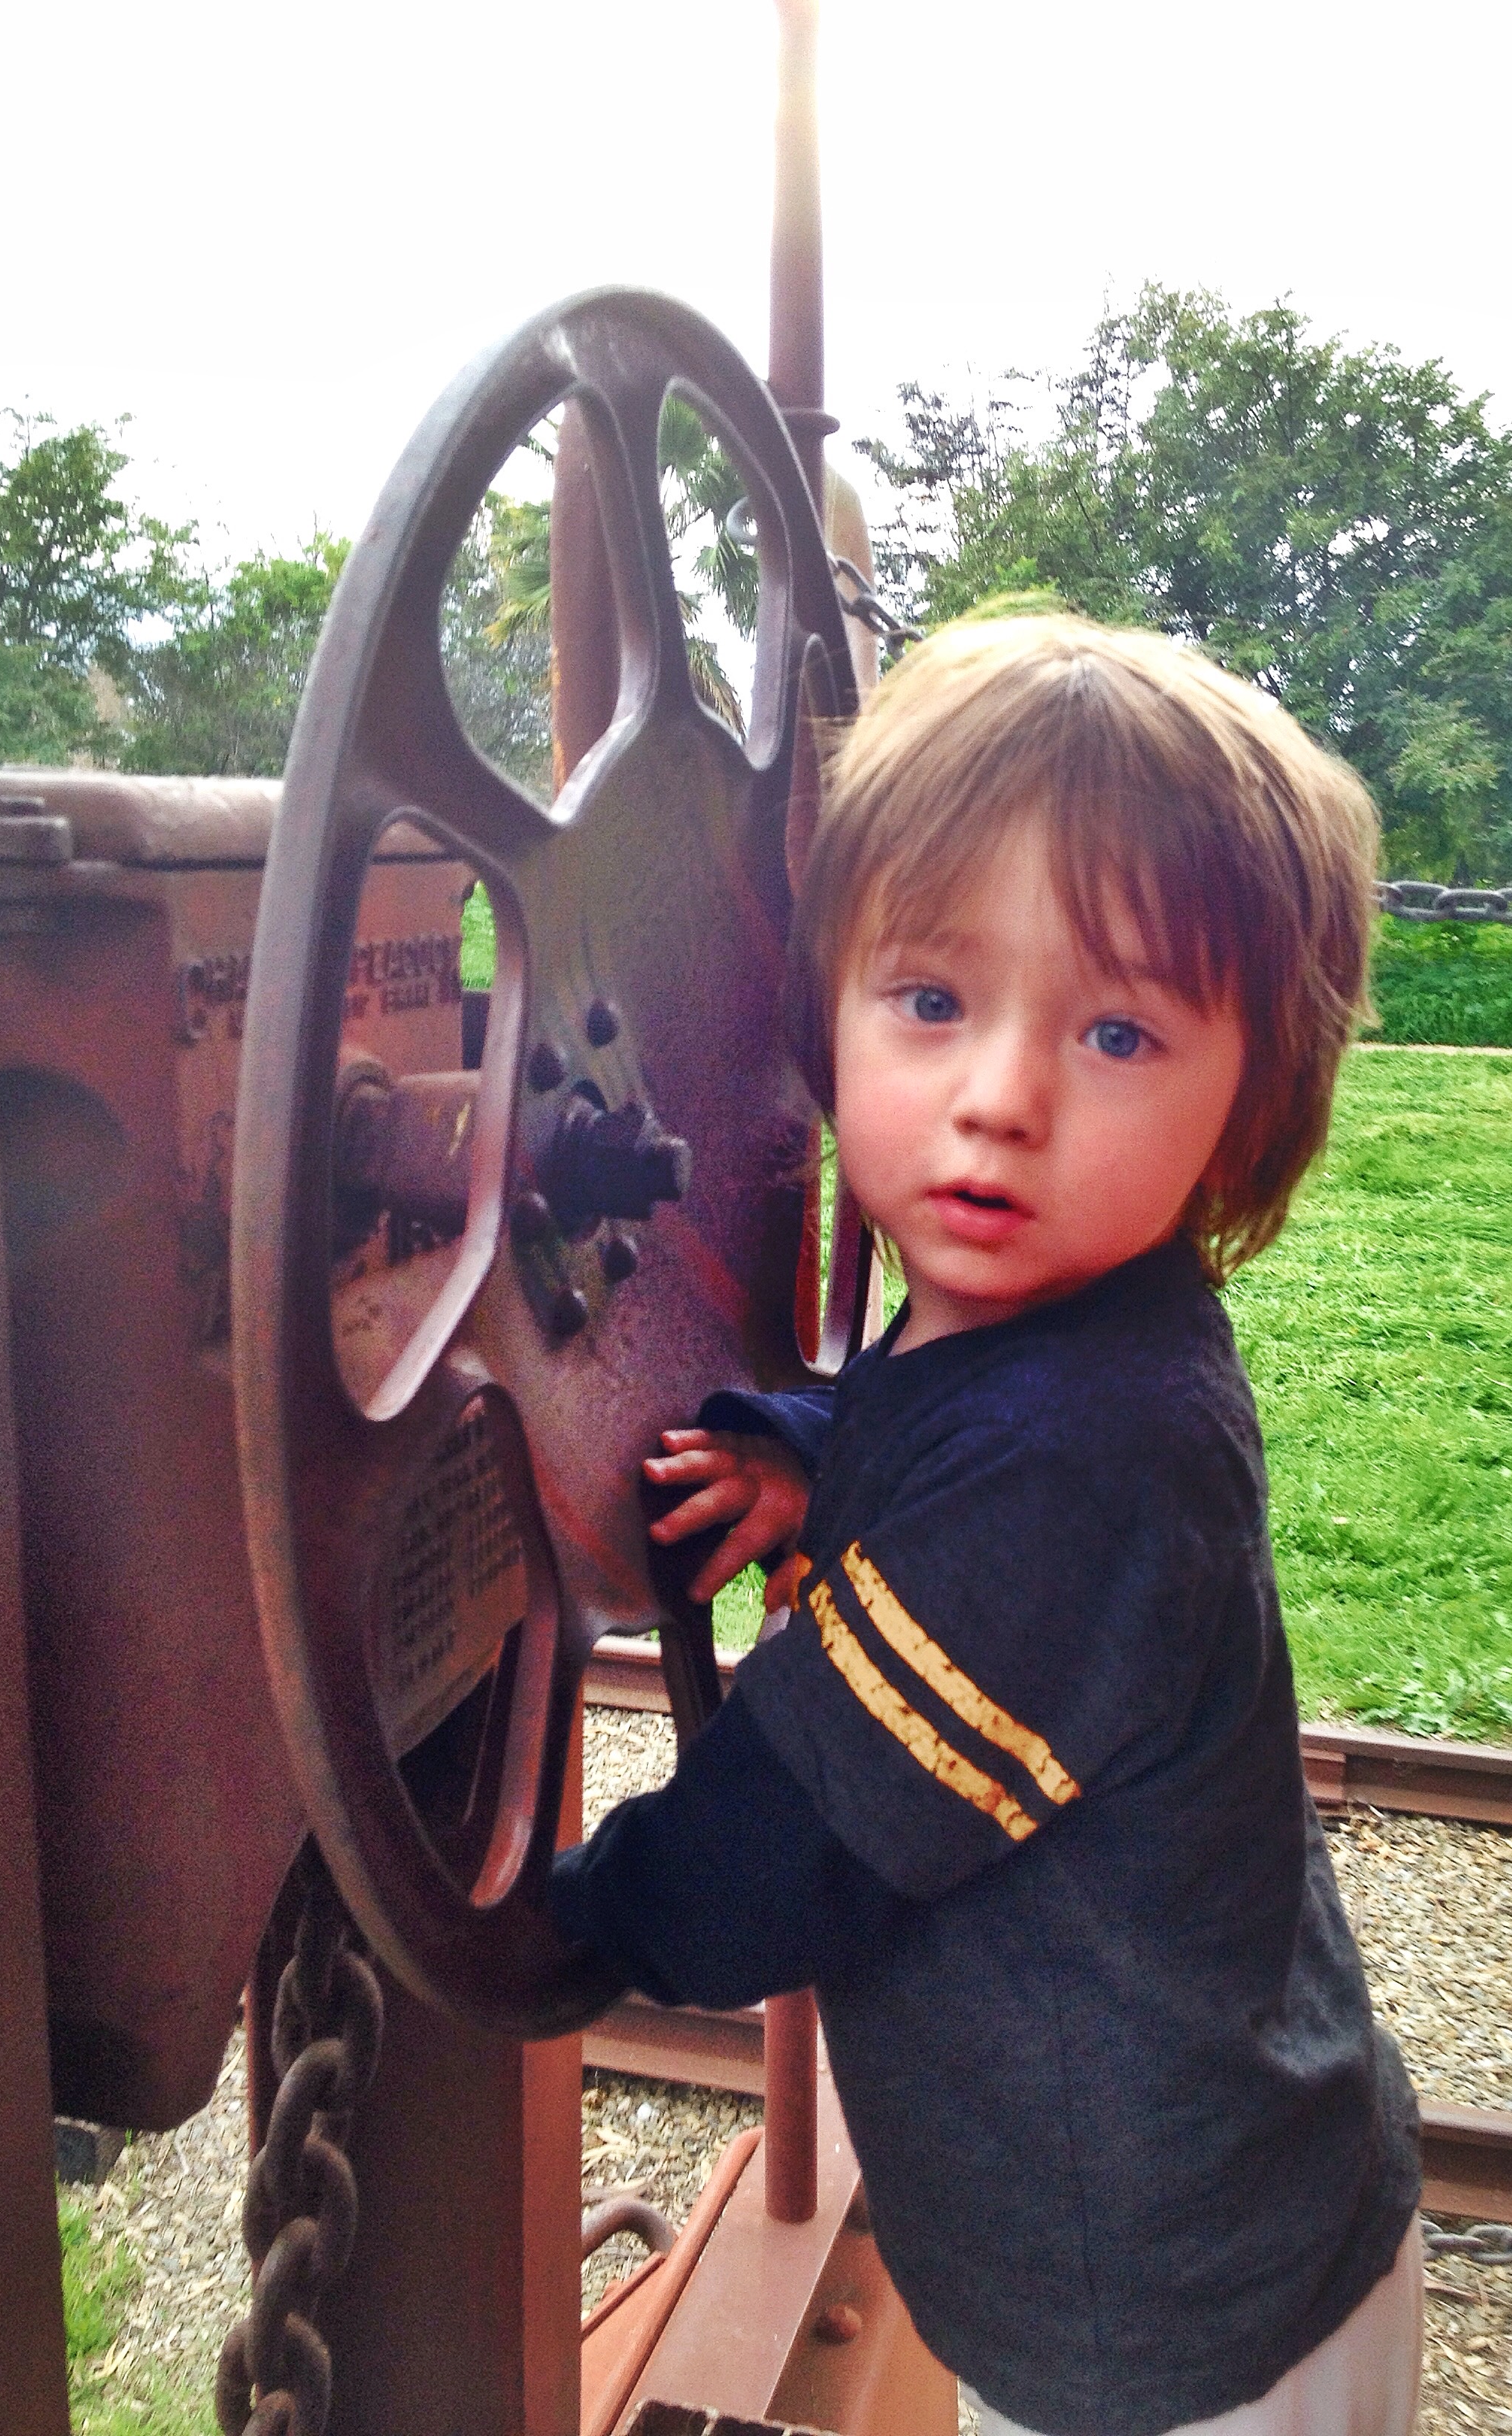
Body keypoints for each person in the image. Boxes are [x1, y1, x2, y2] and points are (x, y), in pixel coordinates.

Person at [549, 614, 1423, 2436]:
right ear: (824, 1009)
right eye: (932, 1002)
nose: (1002, 1099)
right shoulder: (1073, 1329)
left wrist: (540, 1931)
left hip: (1166, 2336)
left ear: (1251, 1099)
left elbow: (780, 1852)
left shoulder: (1088, 1462)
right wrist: (810, 1456)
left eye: (1117, 1032)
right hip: (1222, 2218)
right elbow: (938, 1425)